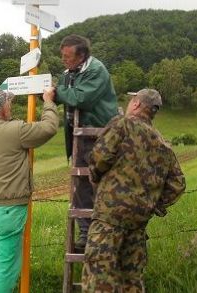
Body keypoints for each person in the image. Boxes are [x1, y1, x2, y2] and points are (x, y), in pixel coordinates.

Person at [82, 89, 186, 292]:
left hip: (109, 217)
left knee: (99, 279)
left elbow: (99, 158)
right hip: (138, 223)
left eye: (132, 100)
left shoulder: (123, 124)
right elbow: (178, 184)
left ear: (137, 104)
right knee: (131, 280)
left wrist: (96, 180)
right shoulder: (162, 142)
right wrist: (153, 205)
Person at [0, 87, 59, 293]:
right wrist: (48, 102)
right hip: (9, 211)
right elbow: (49, 128)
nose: (10, 105)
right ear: (2, 110)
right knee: (5, 267)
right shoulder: (16, 131)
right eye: (8, 103)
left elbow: (1, 128)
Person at [54, 34, 119, 251]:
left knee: (103, 182)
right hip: (77, 136)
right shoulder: (68, 74)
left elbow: (81, 98)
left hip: (98, 135)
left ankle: (111, 229)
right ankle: (86, 232)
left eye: (68, 56)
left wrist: (58, 92)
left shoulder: (96, 70)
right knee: (81, 185)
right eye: (62, 56)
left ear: (82, 55)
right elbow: (63, 96)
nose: (64, 60)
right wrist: (47, 93)